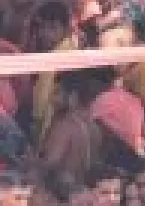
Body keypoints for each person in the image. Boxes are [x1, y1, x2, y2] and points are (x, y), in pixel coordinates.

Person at [39, 69, 107, 201]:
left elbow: (50, 162)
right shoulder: (94, 126)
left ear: (73, 97)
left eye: (57, 93)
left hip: (64, 196)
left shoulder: (65, 125)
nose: (52, 99)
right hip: (85, 194)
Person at [29, 1, 79, 141]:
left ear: (66, 29)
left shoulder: (56, 58)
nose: (45, 33)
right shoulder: (72, 48)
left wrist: (36, 123)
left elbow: (41, 101)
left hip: (52, 126)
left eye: (52, 28)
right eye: (42, 27)